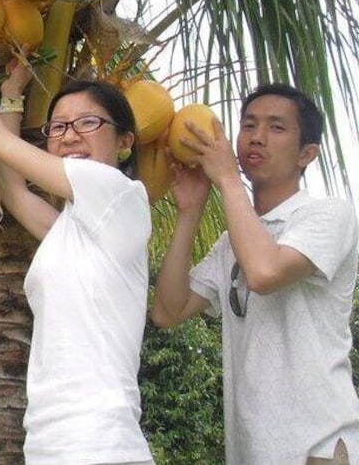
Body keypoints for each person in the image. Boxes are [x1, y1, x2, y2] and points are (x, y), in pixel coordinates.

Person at [0, 28, 154, 464]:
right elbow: (12, 188)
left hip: (98, 440)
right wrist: (11, 94)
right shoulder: (73, 228)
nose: (69, 135)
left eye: (88, 123)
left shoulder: (118, 193)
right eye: (59, 126)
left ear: (125, 142)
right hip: (51, 441)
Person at [150, 83, 359, 464]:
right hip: (253, 450)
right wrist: (190, 211)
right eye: (248, 125)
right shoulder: (233, 241)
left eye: (276, 128)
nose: (257, 138)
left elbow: (264, 273)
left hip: (318, 446)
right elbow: (168, 311)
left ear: (307, 154)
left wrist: (228, 180)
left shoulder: (328, 215)